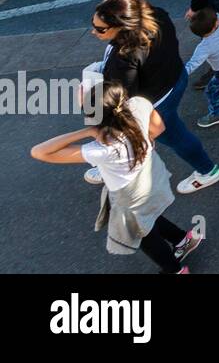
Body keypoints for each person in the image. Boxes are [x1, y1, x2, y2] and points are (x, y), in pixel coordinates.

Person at [30, 81, 203, 274]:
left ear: (96, 118)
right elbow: (158, 129)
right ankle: (183, 240)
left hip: (128, 196)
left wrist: (86, 130)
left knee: (142, 235)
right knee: (148, 217)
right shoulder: (139, 104)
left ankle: (176, 271)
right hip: (151, 178)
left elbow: (39, 152)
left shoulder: (105, 148)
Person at [89, 0, 219, 195]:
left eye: (100, 29)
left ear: (122, 25)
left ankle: (207, 170)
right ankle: (122, 160)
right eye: (93, 24)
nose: (93, 31)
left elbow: (120, 96)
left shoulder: (125, 56)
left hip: (155, 102)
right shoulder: (156, 15)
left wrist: (90, 92)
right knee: (147, 133)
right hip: (175, 77)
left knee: (174, 137)